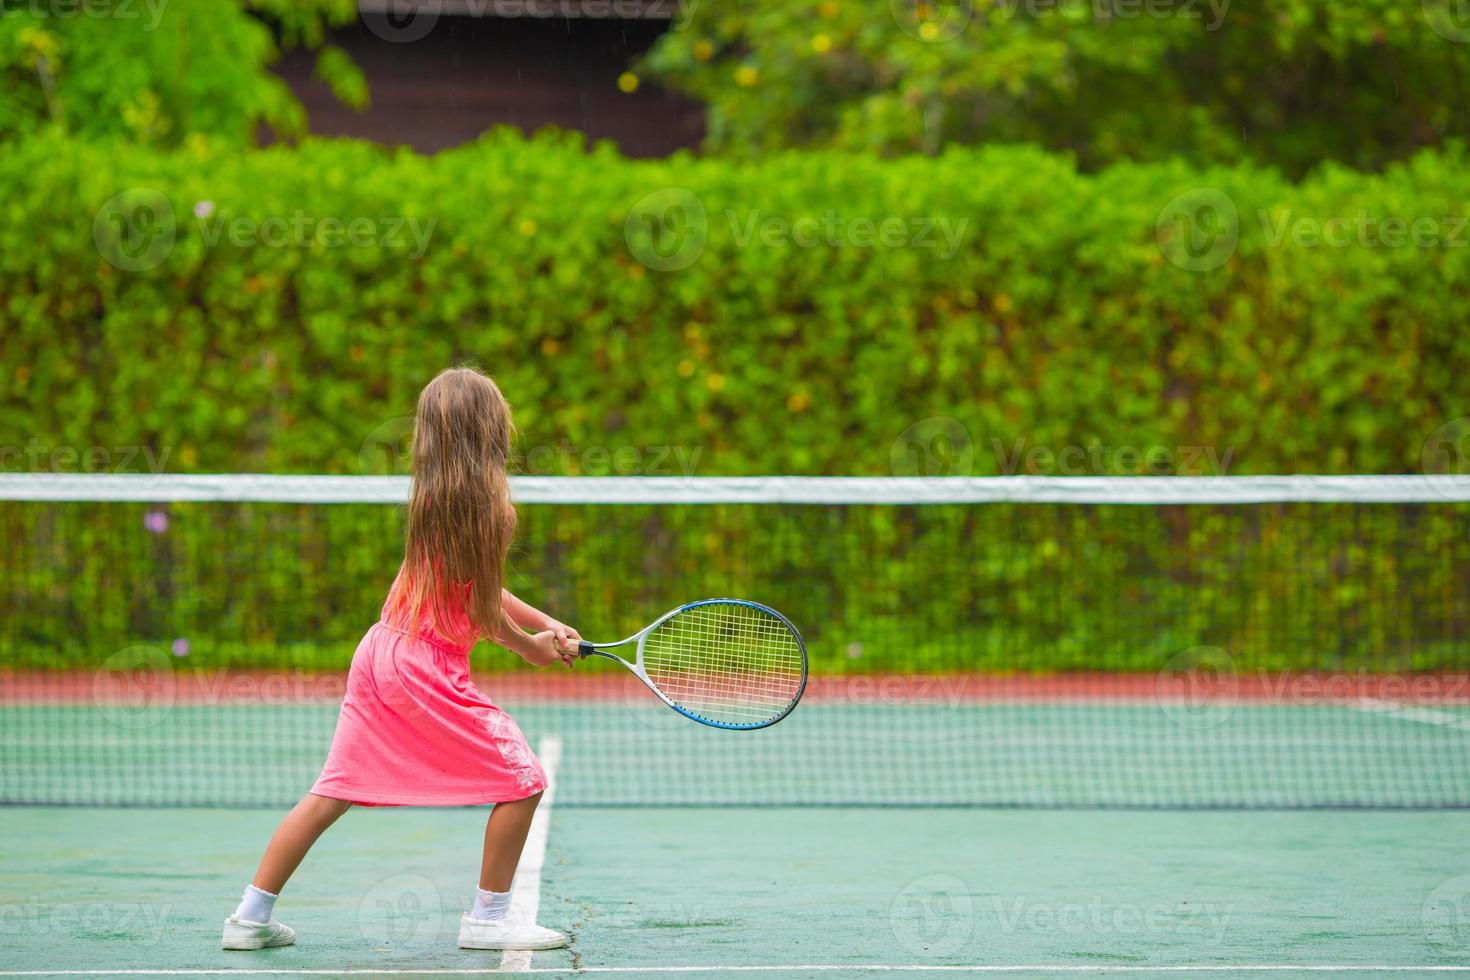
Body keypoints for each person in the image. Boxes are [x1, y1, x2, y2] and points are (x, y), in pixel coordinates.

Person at [222, 367, 579, 952]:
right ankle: (489, 920)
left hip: (379, 655)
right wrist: (531, 648)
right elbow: (486, 612)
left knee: (330, 792)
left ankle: (248, 918)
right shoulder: (492, 510)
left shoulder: (432, 500)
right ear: (491, 430)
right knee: (524, 780)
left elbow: (476, 589)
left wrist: (545, 622)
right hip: (423, 670)